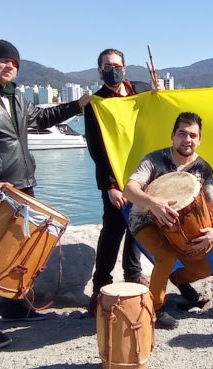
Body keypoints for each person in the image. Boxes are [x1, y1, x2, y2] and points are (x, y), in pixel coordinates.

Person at [0, 39, 91, 349]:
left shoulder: (16, 99)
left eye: (14, 62)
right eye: (2, 60)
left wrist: (78, 105)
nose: (9, 65)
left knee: (19, 250)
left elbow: (41, 119)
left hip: (23, 188)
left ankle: (12, 307)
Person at [123, 112, 213, 329]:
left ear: (199, 140)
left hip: (184, 227)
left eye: (193, 136)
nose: (187, 140)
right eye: (182, 134)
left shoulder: (203, 168)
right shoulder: (154, 160)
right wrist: (152, 203)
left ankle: (178, 279)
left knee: (203, 270)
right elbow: (129, 189)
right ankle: (155, 309)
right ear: (173, 136)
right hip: (146, 220)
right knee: (165, 256)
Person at [83, 49, 147, 317]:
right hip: (115, 178)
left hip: (142, 174)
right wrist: (110, 185)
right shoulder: (95, 103)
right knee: (112, 231)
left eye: (117, 65)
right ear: (100, 70)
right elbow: (97, 148)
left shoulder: (141, 92)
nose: (113, 70)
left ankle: (134, 278)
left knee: (138, 228)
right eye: (107, 66)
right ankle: (101, 287)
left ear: (125, 68)